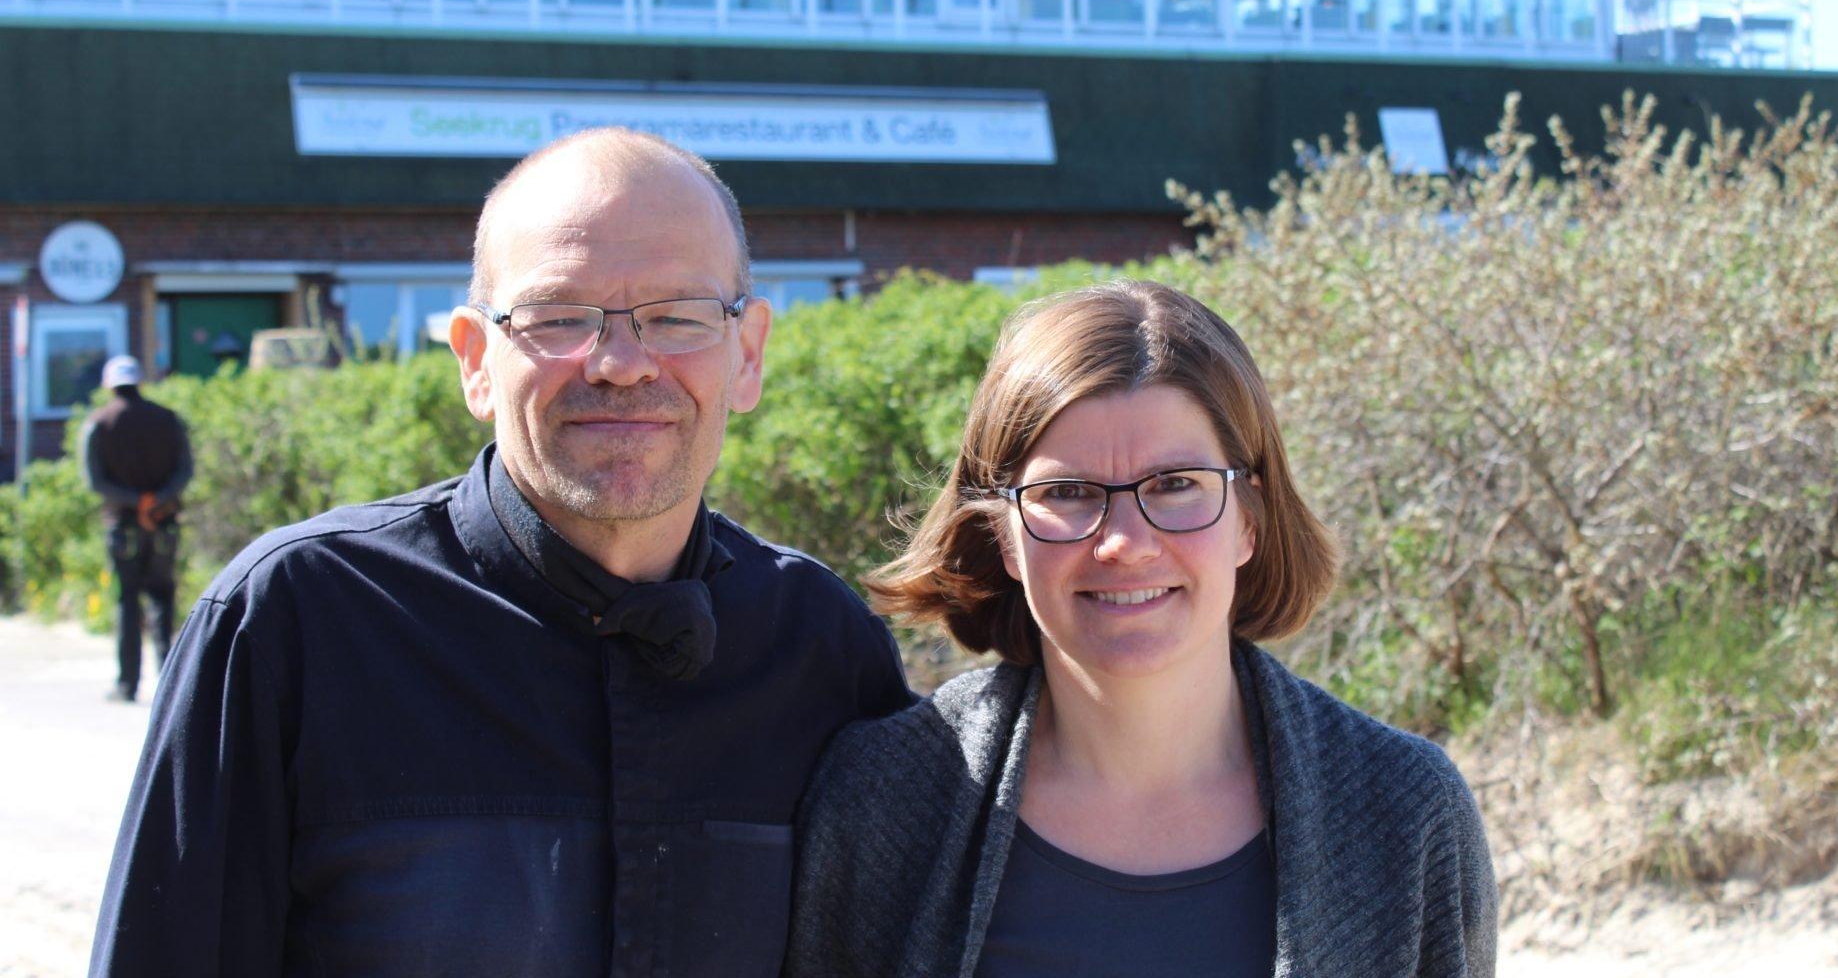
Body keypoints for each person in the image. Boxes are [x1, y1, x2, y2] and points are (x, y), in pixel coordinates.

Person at [91, 129, 913, 977]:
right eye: (559, 318)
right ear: (476, 361)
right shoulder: (293, 627)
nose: (623, 364)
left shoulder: (823, 648)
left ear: (747, 355)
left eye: (677, 316)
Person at [786, 280, 1497, 978]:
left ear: (1249, 516)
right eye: (1066, 493)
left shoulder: (1405, 811)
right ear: (1005, 536)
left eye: (1176, 484)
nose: (1125, 542)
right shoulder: (882, 800)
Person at [80, 355, 193, 703]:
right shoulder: (168, 419)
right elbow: (185, 472)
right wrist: (156, 500)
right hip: (164, 523)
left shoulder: (98, 423)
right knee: (163, 598)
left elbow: (95, 481)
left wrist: (135, 501)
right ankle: (169, 682)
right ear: (141, 381)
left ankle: (127, 684)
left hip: (122, 526)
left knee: (126, 602)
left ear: (108, 384)